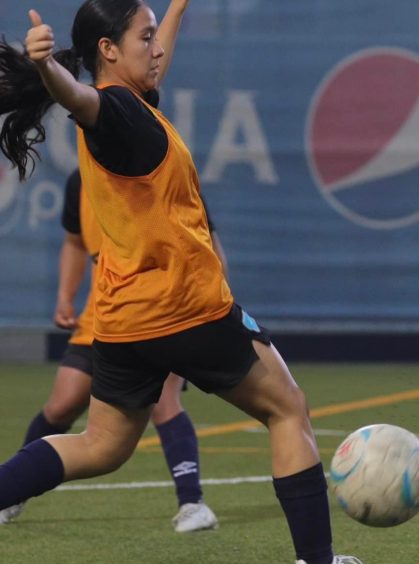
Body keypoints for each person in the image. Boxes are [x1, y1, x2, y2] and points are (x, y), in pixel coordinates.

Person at [0, 2, 360, 562]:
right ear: (108, 50)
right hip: (186, 308)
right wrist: (47, 69)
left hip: (123, 321)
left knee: (100, 448)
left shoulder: (134, 103)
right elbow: (81, 98)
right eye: (145, 37)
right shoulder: (113, 110)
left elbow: (126, 77)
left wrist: (177, 8)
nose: (158, 47)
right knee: (287, 409)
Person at [0, 170, 222, 532]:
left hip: (163, 308)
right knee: (62, 402)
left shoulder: (159, 169)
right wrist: (65, 296)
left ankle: (192, 504)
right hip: (105, 313)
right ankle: (13, 492)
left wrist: (203, 311)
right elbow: (74, 241)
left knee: (164, 403)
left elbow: (207, 241)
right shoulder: (80, 181)